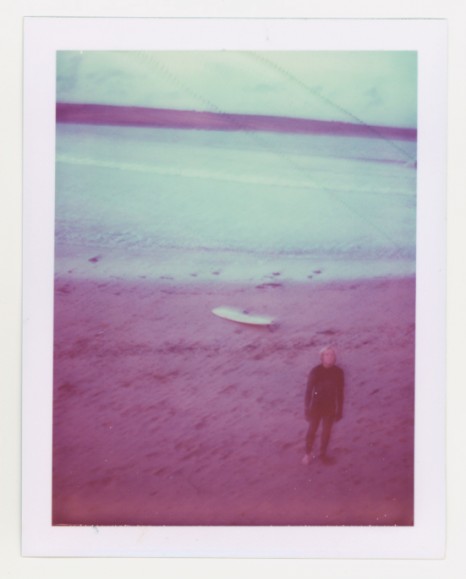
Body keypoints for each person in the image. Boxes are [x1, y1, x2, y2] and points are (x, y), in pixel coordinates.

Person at [302, 346, 344, 465]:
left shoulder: (339, 372)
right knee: (312, 430)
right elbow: (308, 391)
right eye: (327, 354)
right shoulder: (315, 371)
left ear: (335, 357)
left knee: (326, 432)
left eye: (332, 355)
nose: (329, 357)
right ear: (322, 357)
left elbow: (340, 392)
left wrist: (340, 410)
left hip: (330, 406)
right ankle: (308, 453)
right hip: (316, 406)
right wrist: (306, 408)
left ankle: (322, 454)